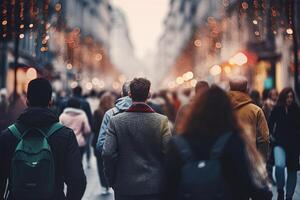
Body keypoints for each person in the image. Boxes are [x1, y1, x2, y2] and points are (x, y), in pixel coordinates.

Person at [162, 85, 272, 200]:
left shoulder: (177, 144)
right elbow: (247, 180)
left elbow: (167, 188)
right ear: (227, 112)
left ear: (196, 111)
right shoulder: (233, 142)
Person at [0, 78, 86, 199]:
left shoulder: (7, 136)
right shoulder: (65, 135)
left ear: (27, 101)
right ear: (50, 101)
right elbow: (77, 181)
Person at [102, 78, 171, 200]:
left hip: (125, 186)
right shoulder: (161, 121)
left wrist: (112, 180)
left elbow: (108, 153)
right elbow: (169, 154)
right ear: (149, 95)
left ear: (129, 94)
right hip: (154, 187)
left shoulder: (116, 121)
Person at [268, 87, 300, 200]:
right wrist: (271, 137)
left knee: (292, 170)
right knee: (279, 166)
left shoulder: (296, 109)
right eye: (287, 97)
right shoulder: (277, 109)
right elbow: (270, 125)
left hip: (294, 145)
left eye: (291, 97)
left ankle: (289, 196)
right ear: (283, 97)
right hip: (279, 143)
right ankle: (280, 190)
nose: (289, 99)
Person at [228, 76, 269, 160]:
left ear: (230, 89)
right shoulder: (256, 110)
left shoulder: (222, 109)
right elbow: (264, 139)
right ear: (246, 90)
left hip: (228, 160)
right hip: (250, 159)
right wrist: (262, 160)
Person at [96, 82, 132, 153]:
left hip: (116, 162)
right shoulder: (147, 113)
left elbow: (101, 145)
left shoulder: (110, 113)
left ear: (122, 94)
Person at [92, 92, 115, 194]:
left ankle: (103, 185)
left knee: (100, 165)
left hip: (98, 140)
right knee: (109, 163)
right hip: (111, 141)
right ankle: (109, 183)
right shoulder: (114, 112)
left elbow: (94, 127)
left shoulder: (97, 112)